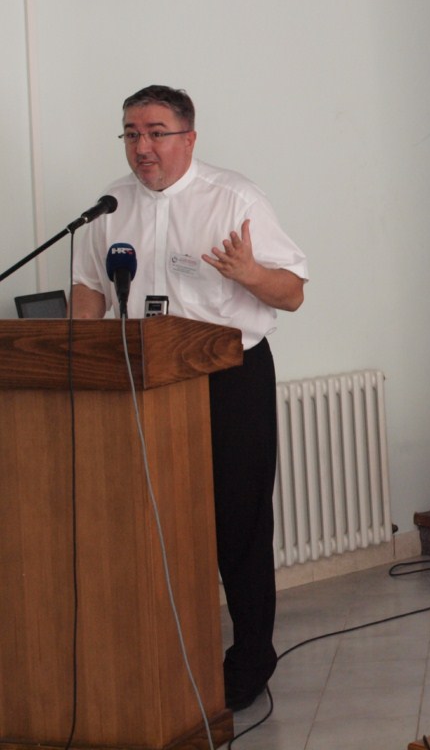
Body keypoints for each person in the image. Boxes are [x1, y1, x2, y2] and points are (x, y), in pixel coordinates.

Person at [71, 85, 308, 712]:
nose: (142, 146)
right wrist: (79, 350)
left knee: (238, 524)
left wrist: (249, 273)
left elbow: (291, 293)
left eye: (156, 132)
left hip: (229, 379)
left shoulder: (234, 199)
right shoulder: (108, 207)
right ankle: (167, 653)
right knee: (152, 521)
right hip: (141, 382)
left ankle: (250, 659)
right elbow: (88, 288)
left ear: (189, 138)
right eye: (131, 134)